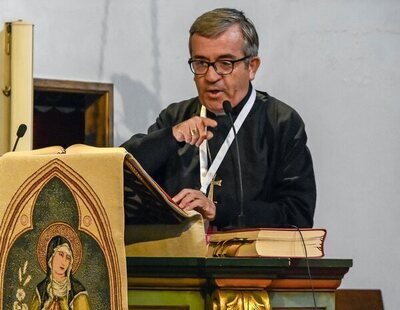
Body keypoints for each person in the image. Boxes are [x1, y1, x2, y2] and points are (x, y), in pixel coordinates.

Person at [122, 8, 316, 230]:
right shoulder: (175, 117)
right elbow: (121, 174)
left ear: (252, 67)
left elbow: (297, 214)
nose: (211, 76)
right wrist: (170, 136)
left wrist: (218, 211)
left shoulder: (280, 122)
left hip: (252, 263)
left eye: (225, 63)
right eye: (201, 63)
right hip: (181, 260)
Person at [31, 236, 91, 309]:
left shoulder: (78, 293)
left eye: (68, 257)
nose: (64, 261)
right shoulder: (40, 291)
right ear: (51, 257)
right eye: (61, 254)